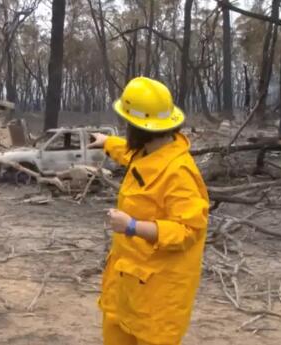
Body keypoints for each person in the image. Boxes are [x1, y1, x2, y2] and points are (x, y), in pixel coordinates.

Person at [89, 77, 209, 345]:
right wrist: (106, 142)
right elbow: (129, 154)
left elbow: (188, 230)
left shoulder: (179, 172)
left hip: (158, 297)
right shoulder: (150, 151)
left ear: (139, 127)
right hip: (129, 284)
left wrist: (132, 226)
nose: (125, 127)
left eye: (128, 122)